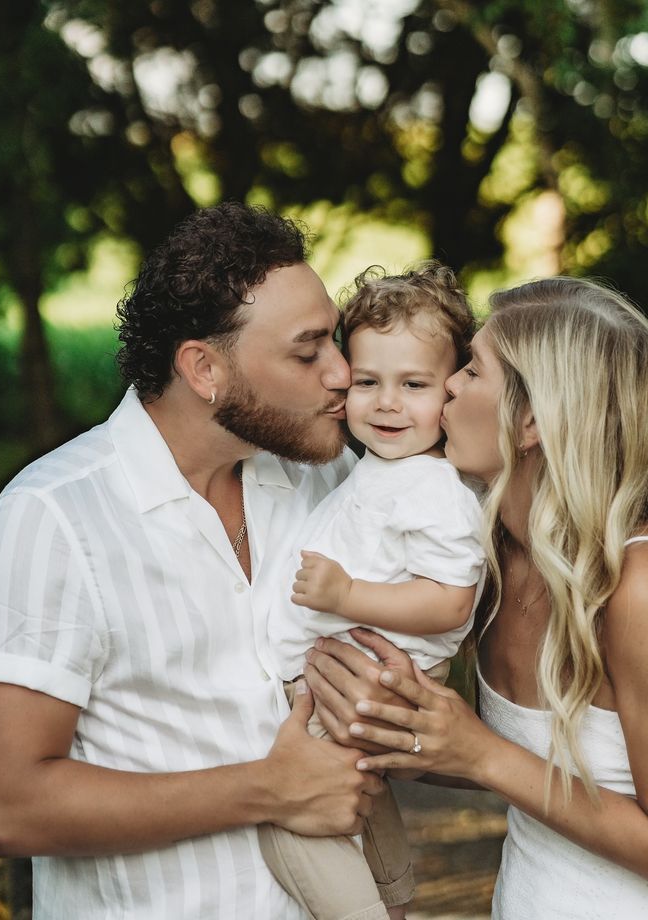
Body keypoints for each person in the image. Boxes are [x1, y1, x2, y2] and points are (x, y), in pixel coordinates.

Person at [0, 201, 386, 920]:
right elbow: (11, 803)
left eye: (337, 340)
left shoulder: (324, 478)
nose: (342, 374)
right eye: (308, 353)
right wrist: (270, 787)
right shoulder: (53, 516)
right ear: (203, 368)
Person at [303, 277, 648, 919]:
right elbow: (517, 766)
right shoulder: (494, 561)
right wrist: (396, 730)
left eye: (471, 370)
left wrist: (476, 749)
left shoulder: (642, 581)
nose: (446, 385)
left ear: (530, 420)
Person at [258, 265, 485, 920]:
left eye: (413, 385)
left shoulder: (433, 487)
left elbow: (449, 601)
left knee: (291, 820)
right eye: (368, 382)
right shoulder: (380, 468)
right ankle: (394, 898)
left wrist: (347, 594)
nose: (387, 403)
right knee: (355, 793)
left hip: (376, 677)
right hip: (352, 673)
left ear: (452, 390)